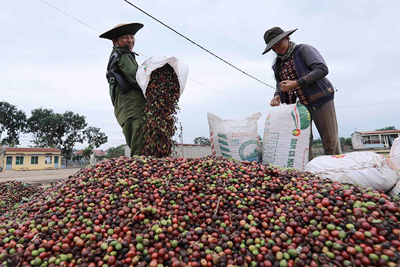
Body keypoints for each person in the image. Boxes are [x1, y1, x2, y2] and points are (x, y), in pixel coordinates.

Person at [262, 27, 341, 159]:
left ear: (287, 38)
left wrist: (297, 83)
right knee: (302, 142)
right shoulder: (277, 64)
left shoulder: (303, 50)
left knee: (329, 140)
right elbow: (279, 83)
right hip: (299, 107)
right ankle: (309, 175)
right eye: (273, 48)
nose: (277, 49)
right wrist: (277, 95)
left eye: (278, 44)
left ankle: (334, 172)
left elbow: (322, 69)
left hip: (320, 100)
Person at [100, 23, 147, 156]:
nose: (130, 41)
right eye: (125, 37)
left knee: (138, 146)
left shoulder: (117, 55)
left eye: (132, 37)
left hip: (125, 110)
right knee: (140, 151)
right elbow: (135, 79)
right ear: (115, 41)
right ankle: (140, 175)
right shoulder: (124, 55)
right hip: (134, 108)